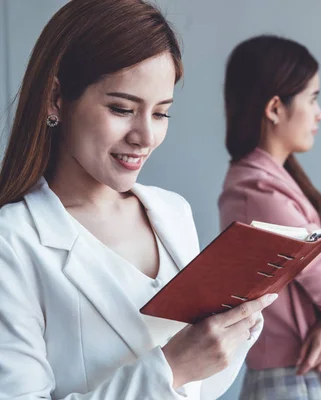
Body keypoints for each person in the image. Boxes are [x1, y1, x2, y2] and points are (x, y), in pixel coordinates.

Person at [0, 1, 277, 398]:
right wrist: (171, 368)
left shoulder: (172, 213)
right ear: (56, 98)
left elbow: (202, 385)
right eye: (122, 108)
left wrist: (237, 325)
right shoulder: (12, 243)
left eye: (161, 113)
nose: (145, 136)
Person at [218, 35, 321, 400]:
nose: (320, 113)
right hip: (293, 385)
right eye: (313, 98)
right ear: (275, 108)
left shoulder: (271, 184)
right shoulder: (260, 193)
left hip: (300, 380)